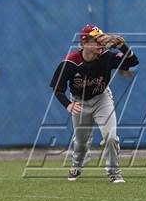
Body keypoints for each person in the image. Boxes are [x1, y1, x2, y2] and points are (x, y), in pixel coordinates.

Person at [50, 24, 139, 182]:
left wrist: (122, 46)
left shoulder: (106, 56)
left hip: (101, 98)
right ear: (84, 44)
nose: (101, 43)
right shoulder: (70, 62)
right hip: (79, 101)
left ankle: (114, 172)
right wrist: (68, 105)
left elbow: (132, 62)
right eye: (96, 40)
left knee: (111, 137)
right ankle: (77, 165)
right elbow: (58, 89)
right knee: (81, 143)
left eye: (101, 39)